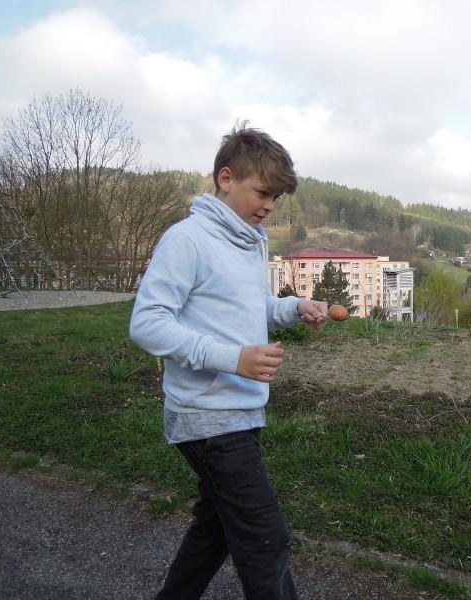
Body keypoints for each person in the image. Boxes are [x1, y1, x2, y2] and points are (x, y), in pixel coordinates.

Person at [130, 122, 327, 599]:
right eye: (262, 192)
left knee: (215, 529)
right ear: (226, 178)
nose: (269, 206)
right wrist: (232, 359)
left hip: (240, 410)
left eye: (276, 197)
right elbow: (147, 323)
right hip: (207, 417)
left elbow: (248, 307)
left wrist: (294, 307)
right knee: (264, 541)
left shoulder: (250, 241)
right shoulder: (187, 239)